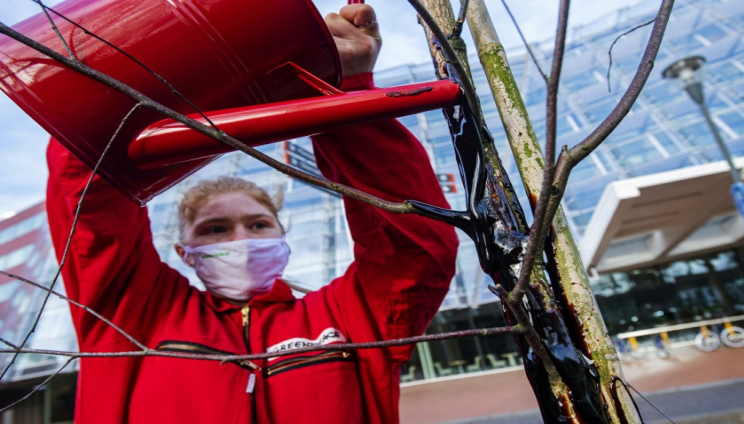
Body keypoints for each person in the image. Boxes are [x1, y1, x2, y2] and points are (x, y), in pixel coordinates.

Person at [47, 4, 458, 424]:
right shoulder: (135, 313)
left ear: (283, 236)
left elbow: (415, 246)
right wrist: (139, 60)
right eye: (215, 229)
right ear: (184, 251)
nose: (239, 239)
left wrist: (342, 84)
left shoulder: (347, 316)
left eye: (258, 224)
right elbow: (88, 193)